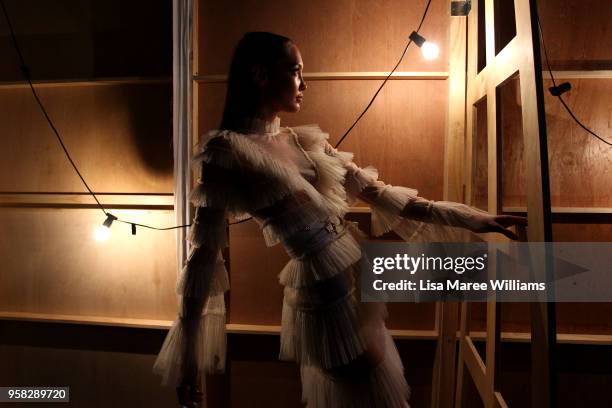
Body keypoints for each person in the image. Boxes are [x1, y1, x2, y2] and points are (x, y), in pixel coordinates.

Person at [152, 31, 527, 408]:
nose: (304, 84)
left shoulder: (304, 141)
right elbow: (203, 258)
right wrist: (187, 363)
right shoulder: (228, 152)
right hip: (324, 298)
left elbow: (378, 194)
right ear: (261, 75)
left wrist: (470, 218)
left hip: (356, 282)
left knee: (374, 386)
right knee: (369, 387)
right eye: (295, 71)